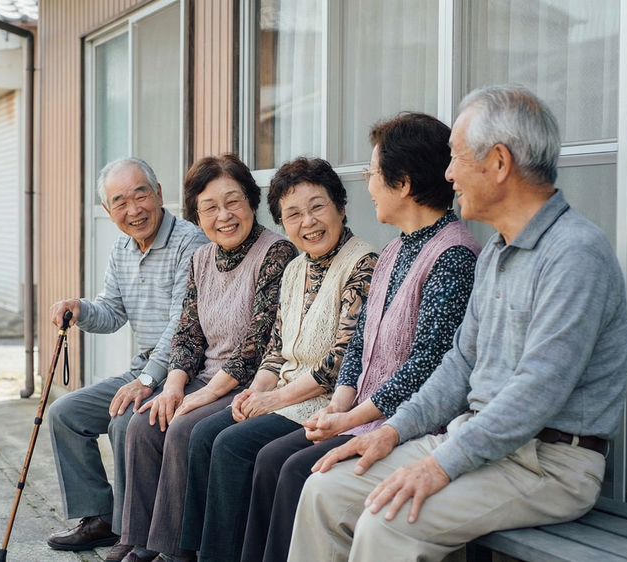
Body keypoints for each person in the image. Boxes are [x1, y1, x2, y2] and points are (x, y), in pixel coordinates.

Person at [287, 85, 627, 562]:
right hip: (476, 441)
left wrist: (440, 465)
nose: (447, 175)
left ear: (498, 163)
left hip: (548, 464)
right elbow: (458, 365)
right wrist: (393, 430)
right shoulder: (496, 253)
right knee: (325, 490)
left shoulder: (575, 255)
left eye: (456, 158)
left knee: (389, 521)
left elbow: (534, 392)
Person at [241, 112, 480, 562]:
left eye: (372, 173)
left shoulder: (452, 257)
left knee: (293, 470)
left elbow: (426, 368)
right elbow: (358, 344)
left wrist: (350, 418)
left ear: (403, 182)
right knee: (275, 461)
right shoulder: (395, 247)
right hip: (362, 414)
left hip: (410, 427)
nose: (368, 184)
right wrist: (339, 402)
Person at [180, 157, 379, 562]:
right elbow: (275, 349)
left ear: (341, 206)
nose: (308, 222)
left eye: (317, 207)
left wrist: (272, 401)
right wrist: (253, 393)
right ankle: (204, 553)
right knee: (204, 433)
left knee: (234, 447)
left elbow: (340, 361)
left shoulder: (363, 264)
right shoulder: (295, 268)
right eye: (293, 214)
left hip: (323, 401)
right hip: (285, 396)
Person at [119, 154, 297, 562]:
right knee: (145, 422)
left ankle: (177, 551)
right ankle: (143, 541)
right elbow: (188, 332)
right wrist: (175, 386)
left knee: (182, 428)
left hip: (248, 381)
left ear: (251, 200)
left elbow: (259, 342)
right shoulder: (201, 258)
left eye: (233, 201)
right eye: (210, 207)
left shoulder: (277, 253)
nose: (224, 216)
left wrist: (198, 398)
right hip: (204, 377)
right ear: (197, 216)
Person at [45, 157, 208, 561]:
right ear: (108, 211)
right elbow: (112, 311)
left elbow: (182, 323)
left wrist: (149, 380)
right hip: (144, 368)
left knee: (124, 420)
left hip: (187, 369)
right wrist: (80, 308)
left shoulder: (191, 242)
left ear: (159, 194)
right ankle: (100, 518)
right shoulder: (122, 247)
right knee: (66, 414)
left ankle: (133, 531)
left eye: (140, 194)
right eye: (120, 201)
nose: (133, 209)